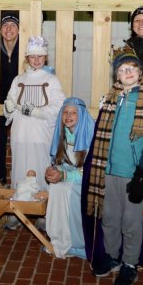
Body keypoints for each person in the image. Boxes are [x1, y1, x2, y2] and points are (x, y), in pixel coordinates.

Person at [83, 45, 143, 285]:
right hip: (109, 170)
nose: (127, 72)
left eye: (132, 68)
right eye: (122, 70)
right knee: (110, 218)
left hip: (133, 172)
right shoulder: (111, 97)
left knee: (131, 222)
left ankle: (130, 263)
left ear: (140, 71)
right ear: (116, 75)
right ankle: (113, 256)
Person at [2, 35, 66, 229]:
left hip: (42, 135)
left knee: (42, 170)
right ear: (27, 58)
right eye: (32, 56)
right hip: (21, 134)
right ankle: (17, 210)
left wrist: (38, 112)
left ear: (45, 58)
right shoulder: (18, 79)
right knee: (20, 170)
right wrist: (9, 107)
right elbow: (9, 106)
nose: (36, 60)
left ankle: (43, 212)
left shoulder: (51, 80)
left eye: (40, 57)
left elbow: (59, 106)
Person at [44, 97, 95, 259]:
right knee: (56, 188)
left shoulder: (90, 135)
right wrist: (53, 170)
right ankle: (62, 239)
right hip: (70, 178)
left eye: (73, 113)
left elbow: (90, 171)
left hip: (87, 183)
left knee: (71, 193)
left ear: (81, 115)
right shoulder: (63, 134)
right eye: (65, 112)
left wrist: (64, 175)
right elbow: (62, 162)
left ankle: (80, 243)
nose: (68, 116)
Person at [0, 11, 20, 185]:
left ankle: (19, 180)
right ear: (0, 30)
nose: (9, 29)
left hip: (20, 105)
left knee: (19, 140)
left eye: (13, 25)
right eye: (5, 25)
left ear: (19, 30)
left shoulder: (24, 52)